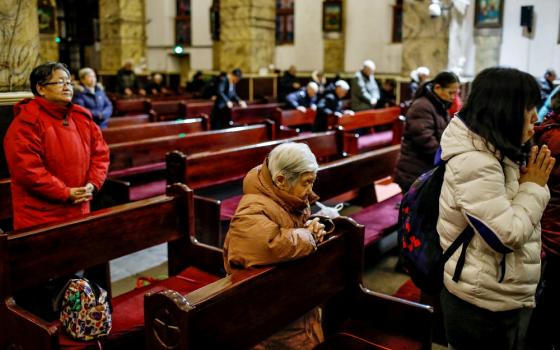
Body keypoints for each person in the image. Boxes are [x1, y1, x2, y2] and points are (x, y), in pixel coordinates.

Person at [437, 67, 554, 350]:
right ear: (506, 110)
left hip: (496, 291)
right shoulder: (476, 162)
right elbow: (504, 236)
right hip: (481, 303)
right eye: (530, 108)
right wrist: (534, 188)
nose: (536, 117)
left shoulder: (497, 151)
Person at [223, 142, 326, 350]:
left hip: (289, 301)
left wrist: (311, 228)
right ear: (280, 180)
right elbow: (267, 244)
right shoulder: (253, 209)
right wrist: (308, 236)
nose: (310, 191)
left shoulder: (283, 198)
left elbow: (288, 231)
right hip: (266, 313)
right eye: (306, 183)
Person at [4, 62, 109, 230]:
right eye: (60, 82)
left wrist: (93, 183)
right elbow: (28, 170)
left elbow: (100, 154)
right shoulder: (26, 123)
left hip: (79, 207)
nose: (67, 86)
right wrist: (65, 192)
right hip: (41, 215)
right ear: (41, 88)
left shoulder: (81, 118)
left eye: (68, 82)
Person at [528, 89, 560, 350]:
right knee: (545, 294)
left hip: (546, 220)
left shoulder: (547, 128)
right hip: (551, 225)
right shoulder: (555, 136)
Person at [394, 71, 460, 192]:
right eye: (450, 92)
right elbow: (424, 139)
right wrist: (445, 156)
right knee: (415, 210)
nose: (453, 97)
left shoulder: (440, 104)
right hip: (414, 170)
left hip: (426, 168)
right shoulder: (422, 106)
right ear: (437, 88)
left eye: (455, 93)